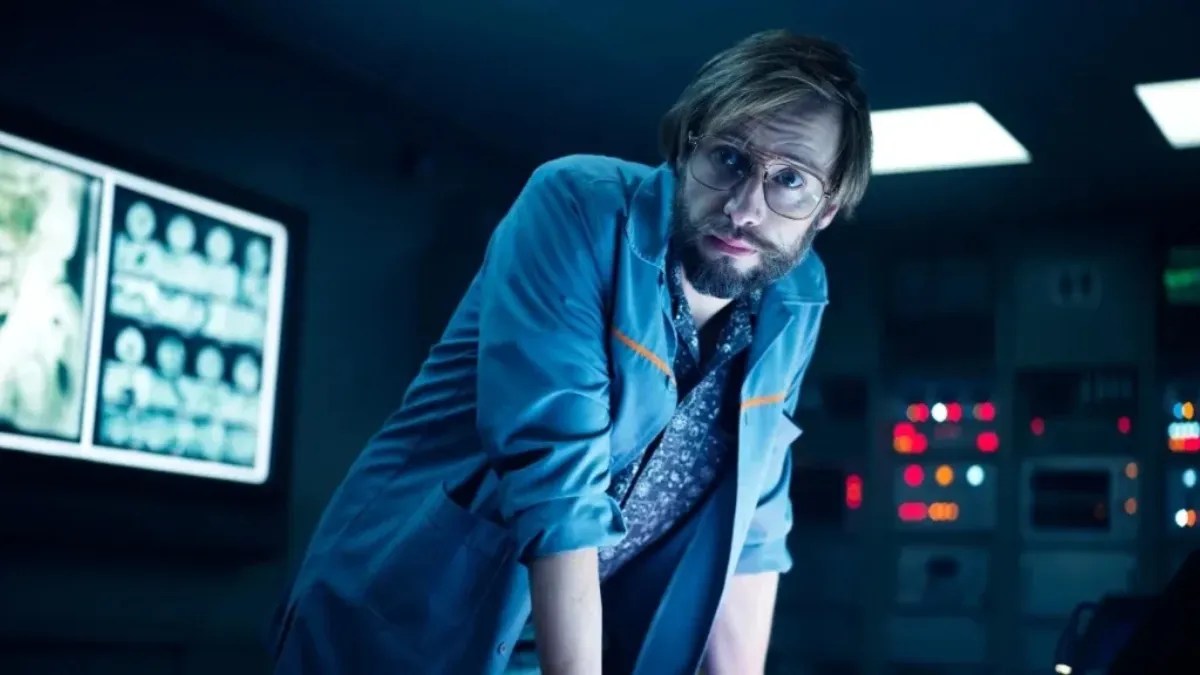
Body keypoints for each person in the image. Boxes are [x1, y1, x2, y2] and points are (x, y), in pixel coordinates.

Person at [271, 29, 872, 675]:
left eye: (791, 179)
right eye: (728, 157)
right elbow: (559, 492)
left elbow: (754, 529)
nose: (745, 207)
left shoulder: (796, 295)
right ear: (685, 148)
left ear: (827, 209)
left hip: (566, 644)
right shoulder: (579, 206)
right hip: (403, 622)